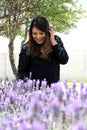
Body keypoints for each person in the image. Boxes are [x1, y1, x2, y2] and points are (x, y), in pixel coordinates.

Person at [18, 16, 69, 86]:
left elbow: (64, 60)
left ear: (48, 32)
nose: (38, 37)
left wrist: (53, 42)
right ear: (31, 33)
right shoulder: (26, 48)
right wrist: (30, 84)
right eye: (35, 33)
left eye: (41, 33)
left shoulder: (55, 41)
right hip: (34, 92)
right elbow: (21, 72)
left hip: (53, 91)